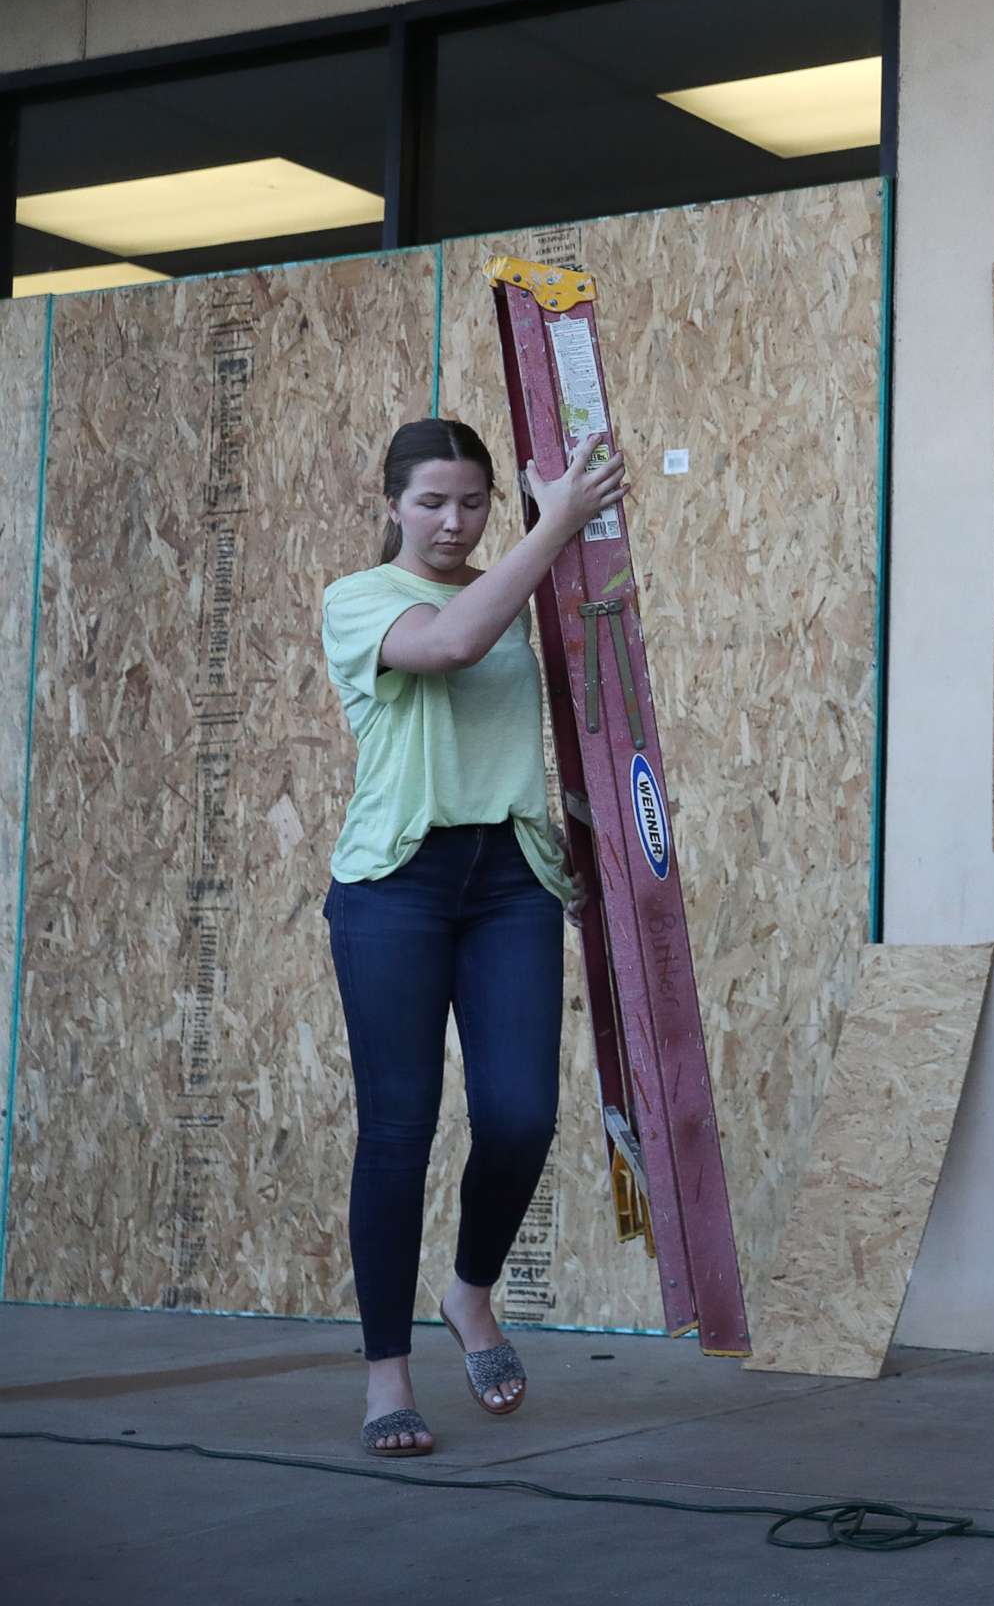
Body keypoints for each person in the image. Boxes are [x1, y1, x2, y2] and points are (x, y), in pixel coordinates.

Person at [321, 419, 627, 1457]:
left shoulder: (515, 580)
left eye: (474, 502)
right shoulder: (361, 600)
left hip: (509, 879)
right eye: (431, 503)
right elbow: (450, 646)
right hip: (393, 886)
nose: (454, 524)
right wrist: (558, 526)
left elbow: (557, 715)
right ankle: (385, 1380)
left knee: (521, 1117)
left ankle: (469, 1293)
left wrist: (583, 833)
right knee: (399, 1134)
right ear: (392, 504)